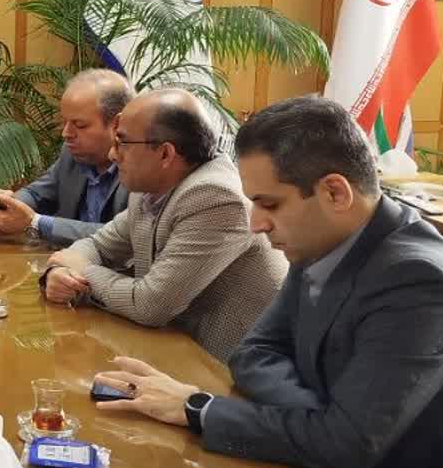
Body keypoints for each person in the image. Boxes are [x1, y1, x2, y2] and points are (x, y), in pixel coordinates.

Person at [93, 96, 443, 468]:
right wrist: (324, 420)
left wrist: (198, 408)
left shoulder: (420, 280)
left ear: (335, 192)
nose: (255, 224)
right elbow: (253, 353)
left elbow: (346, 447)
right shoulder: (323, 238)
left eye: (268, 204)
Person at [42, 89, 284, 360]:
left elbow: (150, 305)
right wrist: (61, 272)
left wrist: (81, 272)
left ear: (165, 154)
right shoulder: (152, 186)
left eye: (122, 143)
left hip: (226, 368)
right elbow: (98, 245)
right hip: (170, 350)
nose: (112, 154)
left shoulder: (214, 197)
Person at [0, 69, 133, 243]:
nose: (66, 133)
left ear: (118, 124)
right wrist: (8, 204)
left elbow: (123, 236)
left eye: (79, 125)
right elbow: (37, 194)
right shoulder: (72, 153)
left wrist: (35, 223)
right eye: (64, 122)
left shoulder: (142, 166)